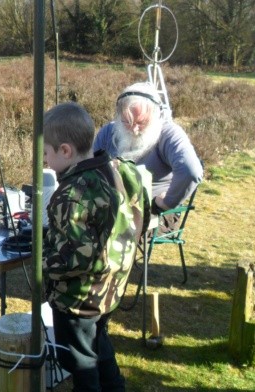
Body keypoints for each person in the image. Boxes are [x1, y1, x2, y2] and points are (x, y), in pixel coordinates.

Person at [42, 102, 149, 391]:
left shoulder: (71, 195)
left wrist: (42, 260)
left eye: (46, 153)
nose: (44, 159)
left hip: (78, 302)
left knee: (81, 362)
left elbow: (74, 260)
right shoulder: (119, 169)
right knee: (99, 346)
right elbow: (141, 215)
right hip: (109, 290)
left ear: (65, 151)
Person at [93, 82, 203, 217]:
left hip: (152, 212)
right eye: (127, 121)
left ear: (156, 115)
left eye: (141, 123)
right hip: (109, 207)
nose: (134, 129)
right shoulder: (109, 131)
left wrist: (166, 203)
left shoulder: (169, 134)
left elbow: (191, 172)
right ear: (119, 115)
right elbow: (90, 169)